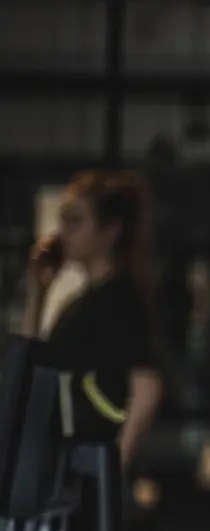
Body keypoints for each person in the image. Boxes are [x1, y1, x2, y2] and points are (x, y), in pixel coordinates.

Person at [24, 170, 164, 470]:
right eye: (62, 220)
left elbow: (146, 388)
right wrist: (38, 291)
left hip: (86, 460)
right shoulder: (83, 302)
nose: (62, 232)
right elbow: (31, 360)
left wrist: (113, 469)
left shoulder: (118, 299)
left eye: (75, 221)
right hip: (63, 458)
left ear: (111, 230)